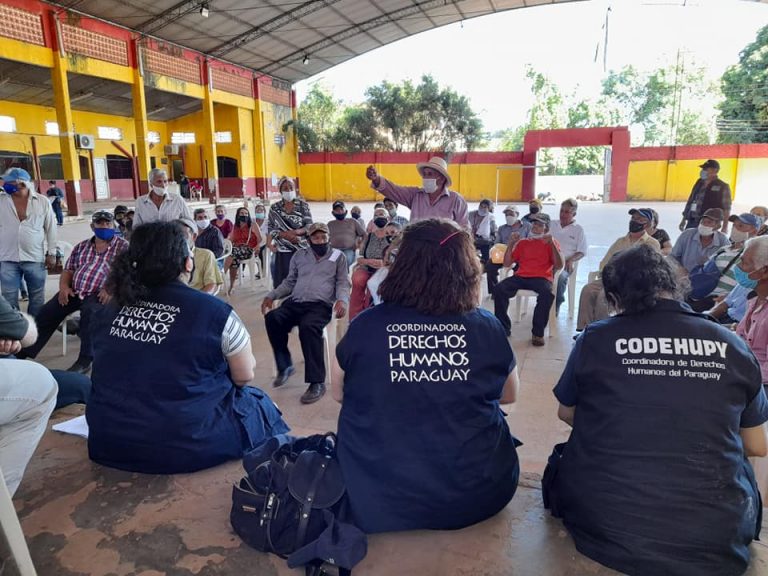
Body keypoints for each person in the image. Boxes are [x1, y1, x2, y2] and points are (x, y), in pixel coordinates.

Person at [543, 244, 767, 576]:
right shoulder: (731, 344)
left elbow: (567, 413)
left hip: (604, 526)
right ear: (672, 284)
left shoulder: (597, 338)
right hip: (718, 536)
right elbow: (756, 445)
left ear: (616, 296)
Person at [332, 218, 520, 533]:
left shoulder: (366, 325)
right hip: (478, 494)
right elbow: (509, 395)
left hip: (378, 495)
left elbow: (339, 393)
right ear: (466, 269)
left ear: (402, 265)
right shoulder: (486, 327)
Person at [86, 222, 288, 474]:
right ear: (187, 263)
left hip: (109, 440)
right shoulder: (214, 312)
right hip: (182, 446)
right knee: (259, 403)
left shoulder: (108, 308)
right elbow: (244, 376)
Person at [16, 210, 128, 374]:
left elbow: (127, 273)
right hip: (74, 290)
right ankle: (23, 351)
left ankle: (85, 359)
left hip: (100, 293)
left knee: (90, 314)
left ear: (113, 225)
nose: (104, 226)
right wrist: (64, 287)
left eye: (108, 223)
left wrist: (110, 288)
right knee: (47, 312)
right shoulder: (82, 246)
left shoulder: (123, 246)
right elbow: (68, 270)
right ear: (92, 226)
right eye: (100, 223)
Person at [262, 223, 350, 405]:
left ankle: (317, 382)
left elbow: (343, 282)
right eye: (316, 238)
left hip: (319, 305)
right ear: (309, 239)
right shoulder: (300, 255)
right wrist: (272, 295)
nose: (320, 241)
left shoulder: (338, 256)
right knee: (273, 318)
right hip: (295, 302)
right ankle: (285, 365)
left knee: (308, 328)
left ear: (329, 238)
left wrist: (342, 300)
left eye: (324, 237)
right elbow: (289, 281)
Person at [576, 208, 660, 331]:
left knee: (603, 297)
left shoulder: (652, 243)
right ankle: (584, 330)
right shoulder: (620, 242)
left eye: (640, 219)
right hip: (613, 278)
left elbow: (650, 269)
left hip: (633, 283)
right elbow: (605, 263)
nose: (635, 221)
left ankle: (602, 331)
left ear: (647, 224)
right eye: (633, 218)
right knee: (588, 290)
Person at [493, 213, 563, 346]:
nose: (536, 227)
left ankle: (537, 333)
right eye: (534, 224)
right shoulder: (523, 242)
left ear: (546, 229)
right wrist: (511, 244)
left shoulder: (551, 243)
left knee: (547, 294)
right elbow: (507, 263)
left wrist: (552, 244)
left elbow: (558, 265)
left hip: (542, 278)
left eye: (540, 225)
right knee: (499, 289)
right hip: (521, 276)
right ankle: (503, 327)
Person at [734, 235, 768, 500]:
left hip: (760, 386)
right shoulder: (755, 300)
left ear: (764, 271)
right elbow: (742, 337)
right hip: (744, 373)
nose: (740, 269)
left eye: (745, 264)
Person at [0, 167, 57, 317]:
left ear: (22, 184)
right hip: (7, 258)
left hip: (34, 258)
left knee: (37, 296)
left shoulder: (42, 201)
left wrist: (51, 253)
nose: (4, 184)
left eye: (8, 182)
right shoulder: (1, 200)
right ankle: (15, 331)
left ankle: (36, 329)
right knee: (8, 297)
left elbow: (51, 228)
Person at [365, 157, 469, 227]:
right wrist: (376, 179)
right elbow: (394, 190)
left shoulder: (456, 201)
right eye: (424, 174)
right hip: (416, 249)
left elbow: (463, 231)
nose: (425, 177)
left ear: (441, 178)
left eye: (430, 174)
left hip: (443, 253)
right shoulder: (415, 195)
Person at [268, 176, 313, 288]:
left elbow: (309, 226)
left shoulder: (303, 205)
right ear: (280, 190)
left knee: (301, 279)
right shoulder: (275, 208)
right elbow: (271, 228)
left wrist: (295, 232)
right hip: (282, 247)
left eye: (290, 187)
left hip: (300, 245)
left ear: (295, 188)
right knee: (281, 279)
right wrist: (284, 235)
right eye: (285, 188)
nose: (288, 190)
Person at [349, 207, 393, 320]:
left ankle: (368, 317)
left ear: (388, 218)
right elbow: (360, 257)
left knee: (372, 285)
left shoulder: (393, 237)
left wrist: (383, 263)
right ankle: (354, 318)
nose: (379, 217)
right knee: (358, 279)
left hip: (383, 269)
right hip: (366, 266)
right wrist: (367, 261)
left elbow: (397, 258)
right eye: (376, 215)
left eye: (382, 214)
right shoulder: (369, 237)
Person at [550, 198, 587, 316]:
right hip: (547, 262)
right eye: (561, 211)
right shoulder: (552, 224)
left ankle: (555, 306)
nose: (563, 214)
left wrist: (571, 260)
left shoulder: (578, 230)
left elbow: (582, 251)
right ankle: (543, 303)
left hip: (565, 264)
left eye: (567, 212)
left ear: (574, 214)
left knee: (560, 278)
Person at [485, 206, 531, 295]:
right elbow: (497, 243)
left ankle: (513, 290)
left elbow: (530, 242)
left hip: (520, 256)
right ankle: (495, 291)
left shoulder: (527, 226)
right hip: (504, 254)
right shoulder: (502, 228)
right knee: (490, 265)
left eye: (511, 214)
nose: (508, 216)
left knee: (519, 269)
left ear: (517, 215)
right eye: (506, 214)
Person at [680, 159, 732, 234]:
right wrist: (684, 218)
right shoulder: (699, 182)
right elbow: (691, 200)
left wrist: (725, 227)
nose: (703, 171)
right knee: (688, 241)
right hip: (692, 221)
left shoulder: (723, 186)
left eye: (706, 169)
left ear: (715, 171)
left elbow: (727, 209)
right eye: (703, 169)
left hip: (709, 223)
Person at [178, 219, 223, 295]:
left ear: (194, 236)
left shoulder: (206, 255)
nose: (178, 238)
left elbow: (211, 284)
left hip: (196, 296)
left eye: (183, 235)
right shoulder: (167, 256)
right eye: (175, 235)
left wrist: (197, 300)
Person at [225, 207, 260, 295]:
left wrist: (258, 247)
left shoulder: (253, 224)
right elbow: (232, 239)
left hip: (249, 249)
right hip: (236, 250)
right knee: (233, 261)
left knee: (232, 253)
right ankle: (232, 286)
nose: (244, 215)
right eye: (242, 213)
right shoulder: (235, 226)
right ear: (238, 215)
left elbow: (259, 238)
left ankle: (220, 277)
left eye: (246, 213)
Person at [367, 221, 403, 306]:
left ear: (400, 232)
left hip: (400, 275)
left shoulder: (406, 247)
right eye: (387, 233)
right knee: (372, 283)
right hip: (389, 273)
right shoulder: (386, 249)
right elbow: (385, 264)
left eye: (392, 232)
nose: (390, 235)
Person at [327, 200, 365, 270]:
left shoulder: (353, 221)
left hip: (349, 250)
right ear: (333, 213)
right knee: (331, 263)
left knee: (345, 262)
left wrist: (361, 244)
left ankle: (344, 279)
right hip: (335, 250)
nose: (339, 212)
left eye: (341, 209)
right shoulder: (330, 224)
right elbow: (325, 238)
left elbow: (364, 234)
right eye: (337, 210)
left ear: (346, 211)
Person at [468, 199, 497, 264]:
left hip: (484, 241)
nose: (482, 208)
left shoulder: (491, 218)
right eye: (481, 206)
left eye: (485, 207)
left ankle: (485, 265)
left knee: (486, 253)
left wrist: (490, 239)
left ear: (489, 209)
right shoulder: (470, 214)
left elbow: (494, 232)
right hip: (471, 239)